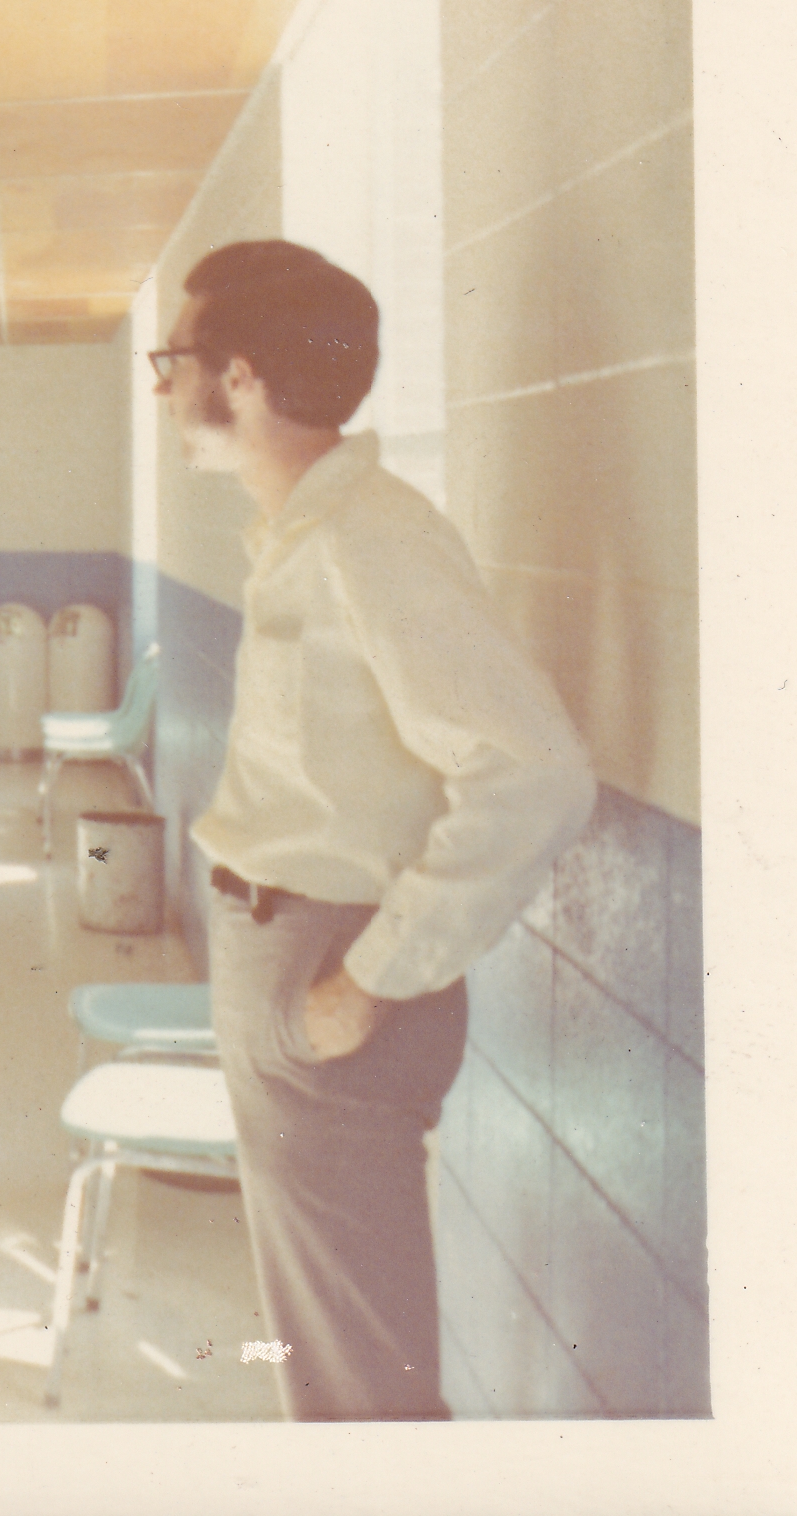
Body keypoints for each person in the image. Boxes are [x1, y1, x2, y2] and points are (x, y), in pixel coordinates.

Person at [159, 239, 594, 1421]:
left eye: (173, 359)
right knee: (330, 1360)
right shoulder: (305, 533)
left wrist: (370, 978)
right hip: (292, 957)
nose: (165, 385)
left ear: (240, 377)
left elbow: (536, 772)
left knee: (359, 1381)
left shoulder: (368, 537)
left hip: (332, 973)